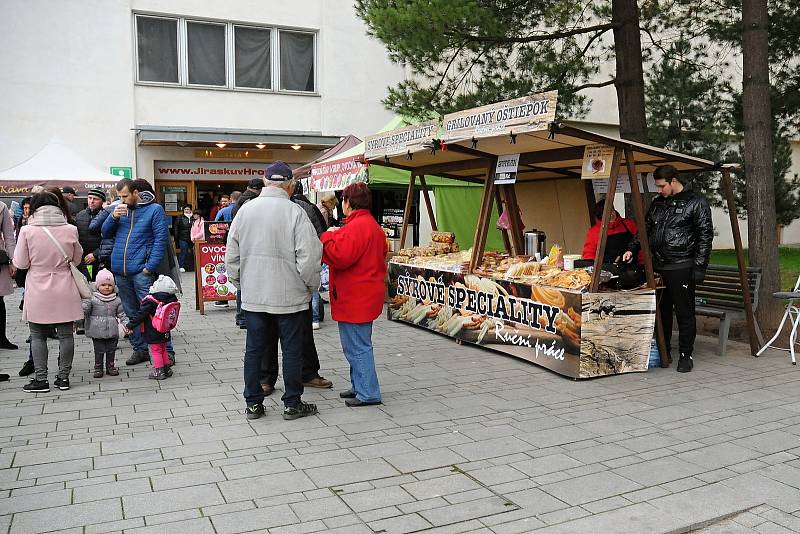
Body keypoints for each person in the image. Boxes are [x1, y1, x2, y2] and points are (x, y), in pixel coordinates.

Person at [226, 160, 322, 421]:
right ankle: (292, 403)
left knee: (254, 350)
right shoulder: (295, 212)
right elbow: (309, 258)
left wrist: (241, 284)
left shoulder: (245, 211)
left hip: (255, 295)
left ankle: (253, 404)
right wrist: (310, 287)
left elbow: (231, 256)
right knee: (292, 350)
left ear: (265, 182)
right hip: (290, 297)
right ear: (290, 186)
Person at [623, 165, 713, 373]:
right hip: (659, 265)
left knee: (684, 312)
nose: (659, 190)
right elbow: (645, 230)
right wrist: (631, 248)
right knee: (661, 311)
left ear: (674, 181)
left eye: (662, 186)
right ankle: (664, 350)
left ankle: (685, 354)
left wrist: (700, 266)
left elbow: (705, 236)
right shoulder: (657, 204)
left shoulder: (696, 202)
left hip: (682, 265)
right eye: (658, 186)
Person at [321, 182, 386, 407]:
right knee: (357, 344)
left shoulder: (357, 226)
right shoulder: (370, 225)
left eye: (344, 200)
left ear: (349, 202)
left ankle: (367, 392)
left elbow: (340, 256)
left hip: (355, 295)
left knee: (357, 346)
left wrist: (327, 237)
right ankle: (359, 385)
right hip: (365, 293)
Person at [14, 192, 83, 392]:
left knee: (37, 335)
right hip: (64, 285)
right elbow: (76, 259)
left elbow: (21, 262)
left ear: (34, 208)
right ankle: (63, 378)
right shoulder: (71, 229)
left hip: (37, 286)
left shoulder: (27, 231)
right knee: (66, 335)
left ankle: (40, 379)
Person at [102, 178, 171, 366]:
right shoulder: (120, 210)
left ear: (135, 193)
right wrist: (113, 217)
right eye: (119, 197)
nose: (122, 200)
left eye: (125, 196)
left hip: (142, 271)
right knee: (130, 313)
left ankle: (167, 351)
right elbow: (104, 233)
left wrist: (150, 267)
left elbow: (160, 239)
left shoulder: (154, 210)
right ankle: (140, 350)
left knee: (153, 312)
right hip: (120, 270)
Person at [126, 275, 179, 380]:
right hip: (165, 329)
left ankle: (159, 371)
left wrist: (130, 325)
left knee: (156, 351)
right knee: (163, 349)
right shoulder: (172, 299)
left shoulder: (150, 301)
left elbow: (140, 315)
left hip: (152, 330)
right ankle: (167, 368)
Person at [82, 268, 128, 378]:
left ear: (113, 286)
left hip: (112, 329)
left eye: (109, 285)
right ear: (97, 286)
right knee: (99, 350)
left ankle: (110, 366)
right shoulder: (92, 299)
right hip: (96, 330)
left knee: (111, 349)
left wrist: (126, 324)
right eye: (103, 285)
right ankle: (98, 367)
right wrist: (84, 305)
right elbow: (85, 311)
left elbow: (122, 314)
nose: (106, 287)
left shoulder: (117, 300)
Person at [582, 199, 642, 263]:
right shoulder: (594, 232)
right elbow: (589, 255)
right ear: (600, 216)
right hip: (607, 270)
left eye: (612, 211)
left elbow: (641, 246)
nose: (611, 215)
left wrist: (643, 264)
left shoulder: (629, 224)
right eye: (607, 213)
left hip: (633, 267)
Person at [75, 188, 105, 282]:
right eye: (90, 198)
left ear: (102, 201)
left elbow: (110, 240)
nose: (92, 201)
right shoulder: (80, 215)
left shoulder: (106, 216)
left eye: (95, 199)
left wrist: (96, 254)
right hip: (82, 260)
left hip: (100, 260)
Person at [0, 199, 17, 350]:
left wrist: (13, 260)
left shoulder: (2, 207)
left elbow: (9, 236)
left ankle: (2, 337)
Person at [173, 204, 194, 272]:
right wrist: (176, 237)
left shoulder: (194, 217)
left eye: (188, 209)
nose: (186, 210)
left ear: (190, 210)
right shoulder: (180, 217)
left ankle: (192, 266)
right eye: (185, 209)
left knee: (192, 252)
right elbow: (176, 227)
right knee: (183, 251)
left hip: (192, 237)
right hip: (182, 237)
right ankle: (181, 266)